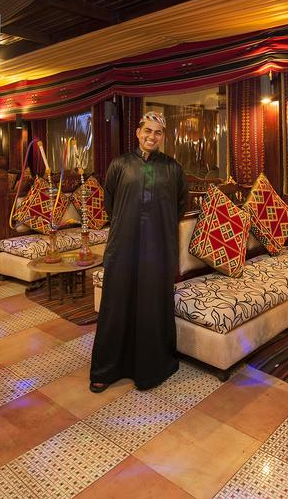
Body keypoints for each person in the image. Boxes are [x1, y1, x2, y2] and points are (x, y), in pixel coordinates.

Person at [89, 111, 188, 393]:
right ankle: (107, 370)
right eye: (147, 130)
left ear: (163, 136)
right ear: (138, 132)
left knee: (152, 306)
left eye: (158, 132)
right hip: (123, 246)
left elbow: (180, 206)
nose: (151, 136)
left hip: (159, 248)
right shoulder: (120, 165)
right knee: (115, 304)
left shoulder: (173, 168)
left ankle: (151, 369)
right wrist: (129, 224)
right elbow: (110, 203)